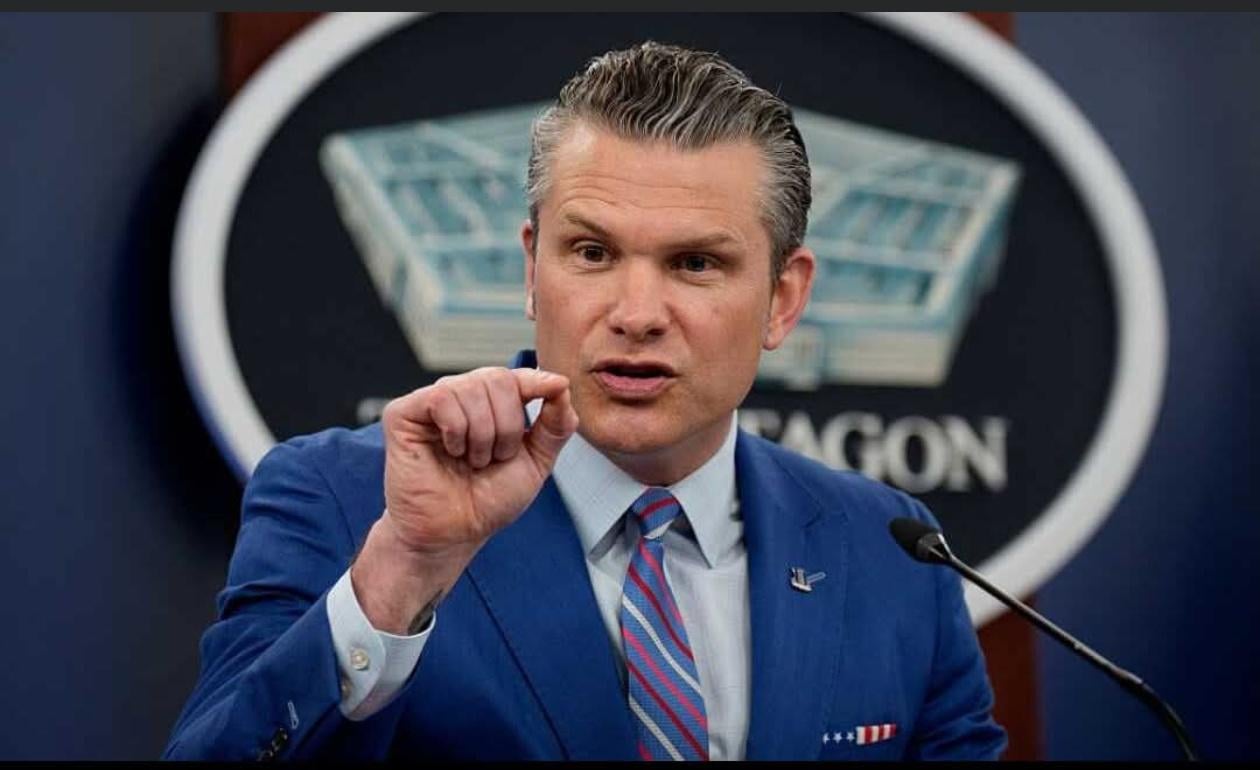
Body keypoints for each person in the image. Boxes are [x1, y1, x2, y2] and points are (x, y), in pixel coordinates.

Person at [164, 41, 1006, 761]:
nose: (635, 314)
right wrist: (403, 573)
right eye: (593, 253)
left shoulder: (890, 552)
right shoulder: (347, 502)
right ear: (532, 270)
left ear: (783, 299)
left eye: (695, 264)